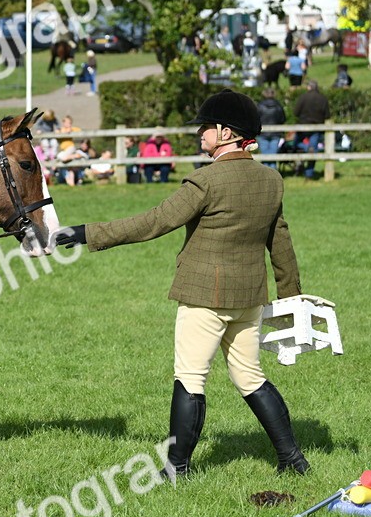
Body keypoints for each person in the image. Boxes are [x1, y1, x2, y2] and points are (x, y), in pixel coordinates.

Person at [56, 89, 310, 478]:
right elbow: (281, 241)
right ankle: (292, 459)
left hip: (205, 295)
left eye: (206, 127)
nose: (200, 133)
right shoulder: (270, 180)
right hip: (249, 297)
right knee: (250, 377)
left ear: (226, 133)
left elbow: (154, 222)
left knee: (190, 377)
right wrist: (291, 297)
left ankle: (178, 468)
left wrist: (86, 232)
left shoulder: (205, 181)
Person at [292, 80, 329, 178]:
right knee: (314, 150)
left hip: (303, 126)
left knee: (295, 145)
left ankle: (306, 149)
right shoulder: (323, 99)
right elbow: (327, 115)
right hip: (316, 128)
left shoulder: (303, 98)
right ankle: (309, 174)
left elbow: (296, 112)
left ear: (309, 87)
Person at [256, 88, 286, 170]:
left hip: (262, 133)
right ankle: (273, 174)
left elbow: (256, 119)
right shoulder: (279, 106)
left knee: (265, 155)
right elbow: (282, 119)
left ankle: (266, 174)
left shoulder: (259, 105)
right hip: (276, 133)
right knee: (273, 155)